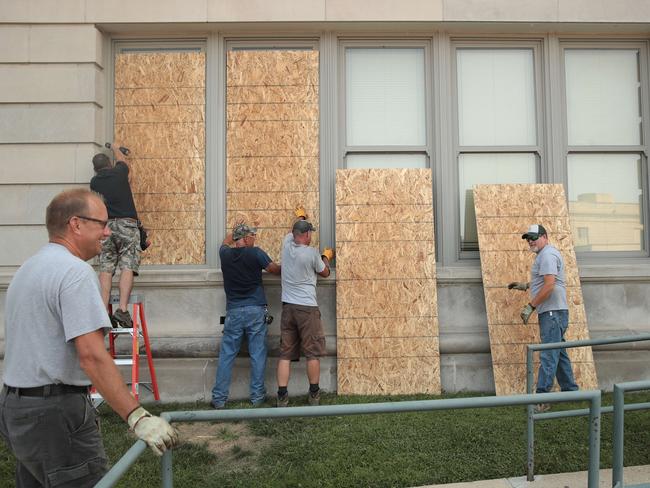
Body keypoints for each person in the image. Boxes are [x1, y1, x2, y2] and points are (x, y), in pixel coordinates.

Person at [0, 189, 178, 488]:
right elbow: (91, 355)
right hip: (56, 412)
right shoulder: (75, 272)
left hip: (16, 407)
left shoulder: (28, 269)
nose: (108, 232)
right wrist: (137, 417)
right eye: (102, 223)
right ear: (76, 224)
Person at [508, 224, 578, 413]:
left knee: (548, 354)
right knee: (559, 353)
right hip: (556, 312)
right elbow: (545, 281)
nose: (530, 241)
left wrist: (531, 306)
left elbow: (549, 286)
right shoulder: (546, 254)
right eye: (527, 238)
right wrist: (526, 285)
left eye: (533, 237)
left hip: (552, 313)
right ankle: (571, 392)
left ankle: (542, 398)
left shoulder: (547, 255)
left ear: (545, 237)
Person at [210, 223, 281, 409]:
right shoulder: (256, 253)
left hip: (233, 310)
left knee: (227, 355)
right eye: (253, 236)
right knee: (257, 353)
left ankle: (219, 399)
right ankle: (257, 397)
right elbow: (274, 269)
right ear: (247, 238)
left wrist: (232, 233)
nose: (255, 239)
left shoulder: (224, 255)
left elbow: (224, 243)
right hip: (255, 309)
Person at [276, 207, 334, 407]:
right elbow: (325, 272)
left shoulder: (286, 245)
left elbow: (293, 230)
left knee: (285, 353)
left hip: (288, 308)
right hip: (307, 309)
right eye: (310, 232)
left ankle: (282, 396)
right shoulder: (311, 253)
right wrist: (327, 256)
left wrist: (300, 217)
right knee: (312, 353)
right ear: (307, 235)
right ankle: (314, 394)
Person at [90, 141, 141, 328]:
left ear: (96, 169)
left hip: (106, 227)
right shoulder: (119, 172)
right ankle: (123, 310)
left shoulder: (94, 182)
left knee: (106, 267)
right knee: (127, 265)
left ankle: (103, 312)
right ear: (109, 165)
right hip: (127, 225)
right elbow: (123, 162)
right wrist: (116, 147)